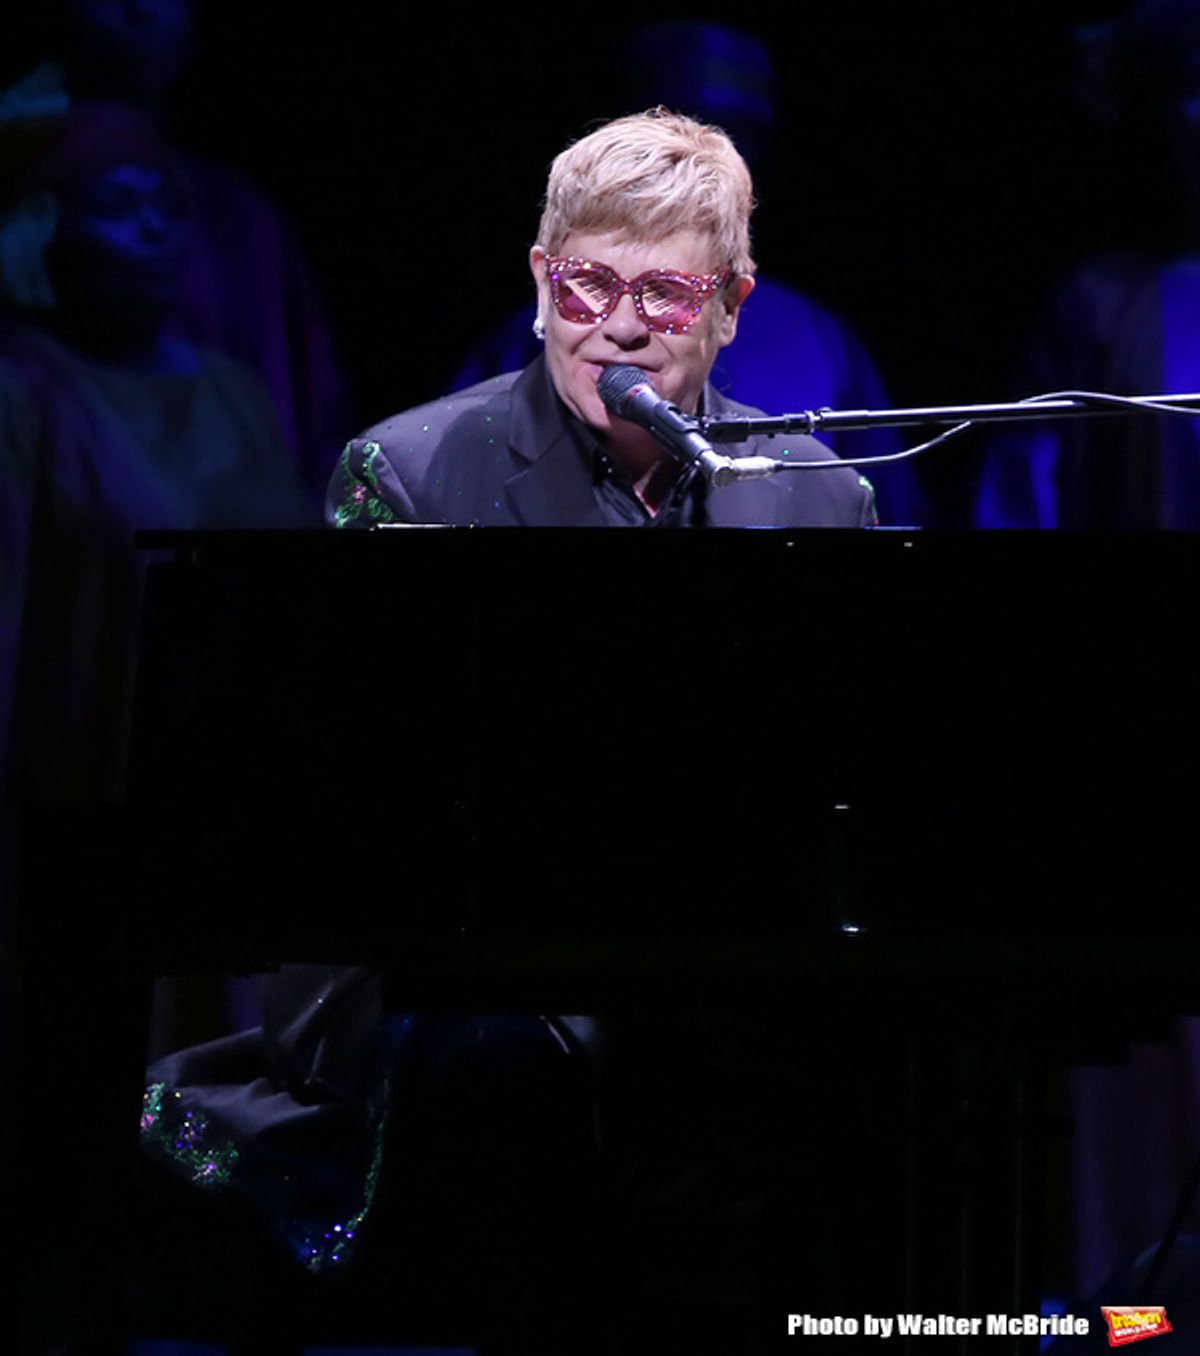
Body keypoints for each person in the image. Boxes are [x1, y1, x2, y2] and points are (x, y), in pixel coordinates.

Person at [326, 108, 878, 532]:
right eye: (589, 285)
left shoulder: (825, 495)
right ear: (545, 285)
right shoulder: (405, 477)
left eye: (664, 293)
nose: (621, 327)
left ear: (729, 307)